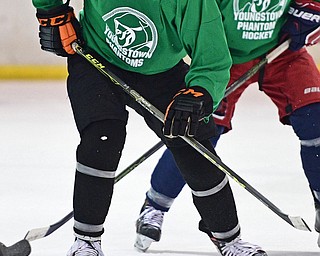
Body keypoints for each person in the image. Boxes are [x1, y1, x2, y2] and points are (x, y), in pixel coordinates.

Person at [32, 0, 268, 255]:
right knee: (102, 139)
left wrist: (201, 91)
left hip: (162, 72)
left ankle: (229, 239)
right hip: (95, 58)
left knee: (195, 149)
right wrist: (51, 10)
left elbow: (211, 55)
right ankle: (86, 241)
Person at [135, 0, 320, 251]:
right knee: (199, 136)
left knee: (315, 119)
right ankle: (155, 206)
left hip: (281, 51)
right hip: (222, 56)